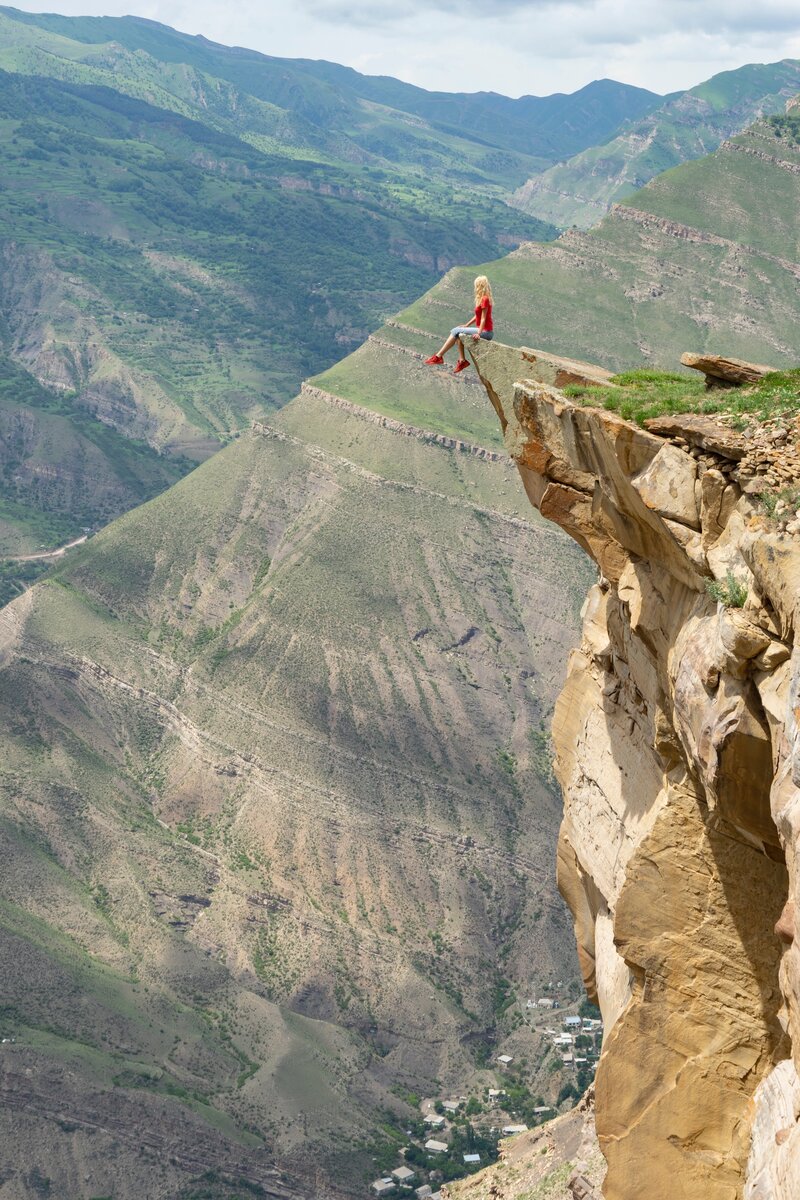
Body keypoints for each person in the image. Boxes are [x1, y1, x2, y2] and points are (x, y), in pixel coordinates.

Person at [425, 275, 494, 374]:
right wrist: (467, 325)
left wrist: (479, 333)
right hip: (483, 330)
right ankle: (462, 361)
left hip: (486, 332)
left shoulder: (485, 299)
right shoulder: (482, 299)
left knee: (455, 330)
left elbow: (483, 318)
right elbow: (477, 316)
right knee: (458, 334)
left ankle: (438, 356)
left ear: (479, 285)